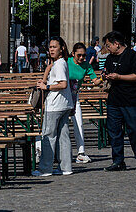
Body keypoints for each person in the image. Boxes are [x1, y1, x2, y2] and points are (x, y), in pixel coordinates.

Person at [101, 30, 136, 171]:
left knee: (135, 130)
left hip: (131, 101)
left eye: (109, 45)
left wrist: (119, 77)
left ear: (117, 43)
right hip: (114, 101)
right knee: (114, 132)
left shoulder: (133, 56)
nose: (107, 48)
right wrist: (105, 76)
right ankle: (118, 161)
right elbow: (106, 71)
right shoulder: (110, 58)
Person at [33, 36, 73, 176]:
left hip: (55, 105)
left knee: (48, 136)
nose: (51, 49)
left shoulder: (60, 64)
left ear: (62, 48)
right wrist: (48, 69)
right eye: (50, 47)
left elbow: (63, 84)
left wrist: (47, 86)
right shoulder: (60, 63)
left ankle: (45, 168)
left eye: (54, 47)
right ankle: (66, 167)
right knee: (63, 136)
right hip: (64, 104)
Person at [68, 42, 96, 165]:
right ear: (73, 54)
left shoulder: (86, 65)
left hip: (74, 96)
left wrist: (103, 79)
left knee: (79, 123)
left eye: (83, 55)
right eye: (79, 55)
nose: (81, 58)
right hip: (61, 96)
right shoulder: (66, 62)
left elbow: (95, 80)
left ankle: (81, 153)